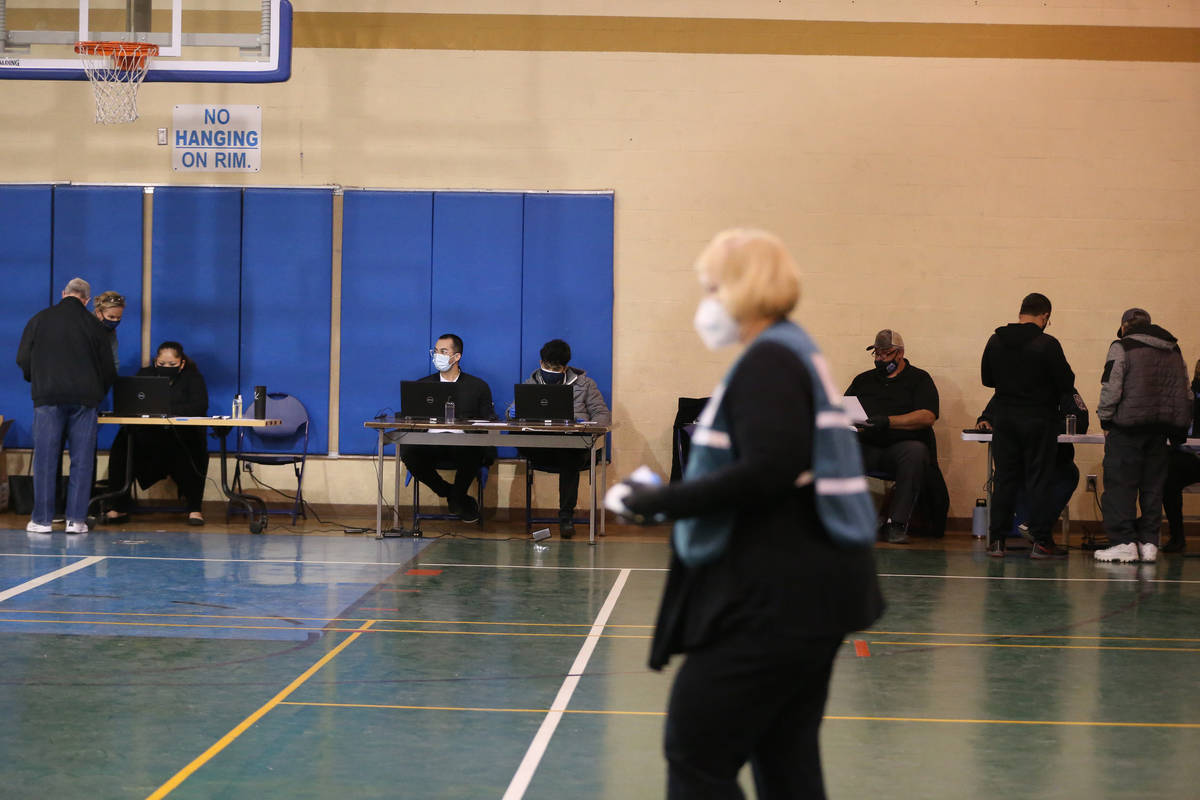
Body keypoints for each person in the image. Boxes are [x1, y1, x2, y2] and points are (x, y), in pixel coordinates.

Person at [607, 228, 884, 799]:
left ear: (742, 290)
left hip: (777, 594)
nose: (706, 303)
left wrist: (660, 501)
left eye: (712, 289)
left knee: (696, 754)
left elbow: (768, 470)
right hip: (811, 588)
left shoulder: (771, 361)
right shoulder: (791, 351)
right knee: (785, 762)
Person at [15, 277, 117, 534]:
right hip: (85, 400)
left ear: (64, 293)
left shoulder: (39, 319)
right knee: (82, 460)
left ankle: (42, 520)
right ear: (86, 299)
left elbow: (23, 358)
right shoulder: (94, 325)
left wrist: (37, 380)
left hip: (48, 398)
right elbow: (108, 369)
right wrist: (96, 393)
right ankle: (76, 520)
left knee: (46, 459)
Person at [980, 293, 1075, 559]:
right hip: (1038, 420)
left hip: (1005, 419)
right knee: (1039, 480)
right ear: (1044, 316)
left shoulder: (996, 339)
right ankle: (1041, 542)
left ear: (1021, 312)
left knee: (1004, 480)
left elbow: (987, 379)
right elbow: (1066, 384)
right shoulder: (1047, 344)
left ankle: (996, 541)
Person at [1095, 308, 1192, 563]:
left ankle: (1124, 542)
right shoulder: (1174, 350)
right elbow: (1186, 393)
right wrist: (1179, 428)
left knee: (1120, 487)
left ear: (1125, 326)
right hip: (1161, 431)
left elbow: (1111, 387)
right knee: (1153, 489)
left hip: (1126, 429)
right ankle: (1149, 542)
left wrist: (1105, 418)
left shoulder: (1122, 346)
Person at [844, 329, 948, 544]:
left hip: (900, 448)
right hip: (867, 445)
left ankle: (896, 523)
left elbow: (927, 416)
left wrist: (889, 421)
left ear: (900, 354)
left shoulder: (919, 379)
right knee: (835, 450)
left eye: (886, 354)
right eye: (877, 354)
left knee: (916, 452)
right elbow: (844, 409)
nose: (880, 359)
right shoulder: (863, 380)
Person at [104, 342, 210, 526]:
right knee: (122, 444)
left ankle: (195, 509)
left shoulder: (193, 378)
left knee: (197, 448)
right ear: (155, 361)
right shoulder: (145, 375)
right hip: (149, 436)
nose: (166, 368)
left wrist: (166, 409)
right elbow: (131, 402)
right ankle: (117, 506)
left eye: (172, 365)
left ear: (181, 363)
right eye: (162, 364)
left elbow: (200, 406)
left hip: (181, 437)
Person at [517, 338, 611, 538]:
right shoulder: (531, 382)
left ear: (565, 367)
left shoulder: (585, 384)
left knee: (569, 458)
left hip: (574, 447)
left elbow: (602, 415)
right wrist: (515, 412)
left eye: (556, 367)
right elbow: (512, 411)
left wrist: (583, 425)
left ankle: (566, 517)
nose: (551, 369)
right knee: (517, 437)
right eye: (547, 365)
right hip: (542, 447)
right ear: (541, 363)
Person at [399, 333, 496, 523]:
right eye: (435, 351)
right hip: (430, 443)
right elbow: (409, 417)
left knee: (475, 451)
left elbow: (489, 419)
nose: (438, 356)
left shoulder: (478, 386)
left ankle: (457, 497)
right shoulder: (422, 385)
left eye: (443, 351)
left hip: (463, 443)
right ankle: (455, 496)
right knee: (408, 451)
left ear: (457, 357)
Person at [976, 388, 1086, 538]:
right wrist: (984, 421)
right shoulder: (1010, 387)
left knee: (1068, 474)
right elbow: (988, 417)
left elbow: (1081, 422)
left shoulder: (1063, 389)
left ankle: (1030, 527)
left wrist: (1044, 428)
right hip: (1020, 463)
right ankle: (1032, 530)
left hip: (1054, 462)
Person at [1161, 358, 1200, 554]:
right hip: (1189, 456)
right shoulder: (1188, 397)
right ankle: (1177, 536)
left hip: (1191, 455)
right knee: (1168, 476)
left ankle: (1177, 537)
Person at [92, 290, 125, 371]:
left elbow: (114, 361)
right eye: (111, 317)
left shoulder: (110, 331)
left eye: (119, 317)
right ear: (98, 313)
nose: (115, 321)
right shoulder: (85, 326)